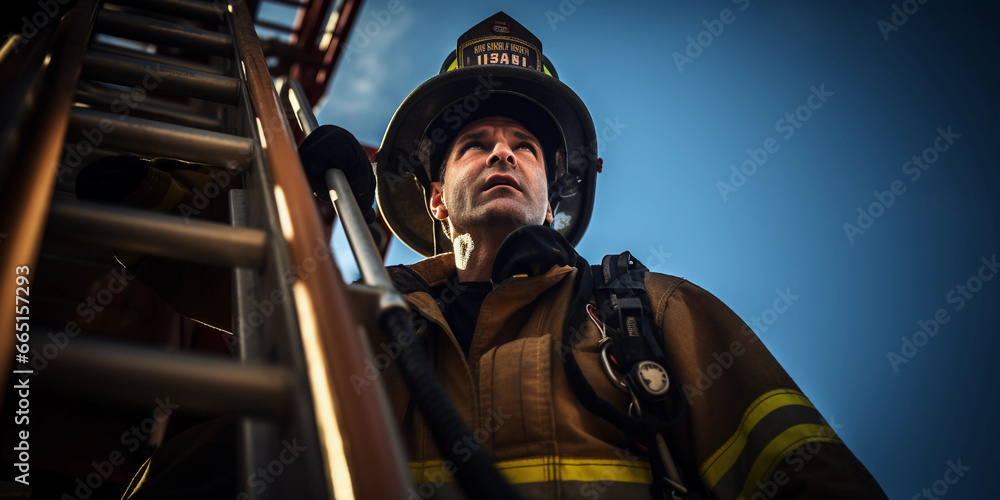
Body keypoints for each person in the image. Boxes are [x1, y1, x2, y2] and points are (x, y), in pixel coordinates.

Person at [337, 11, 889, 500]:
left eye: (524, 146)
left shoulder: (650, 312)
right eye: (476, 143)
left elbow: (807, 474)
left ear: (552, 204)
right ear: (436, 198)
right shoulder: (364, 324)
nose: (502, 150)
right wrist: (309, 225)